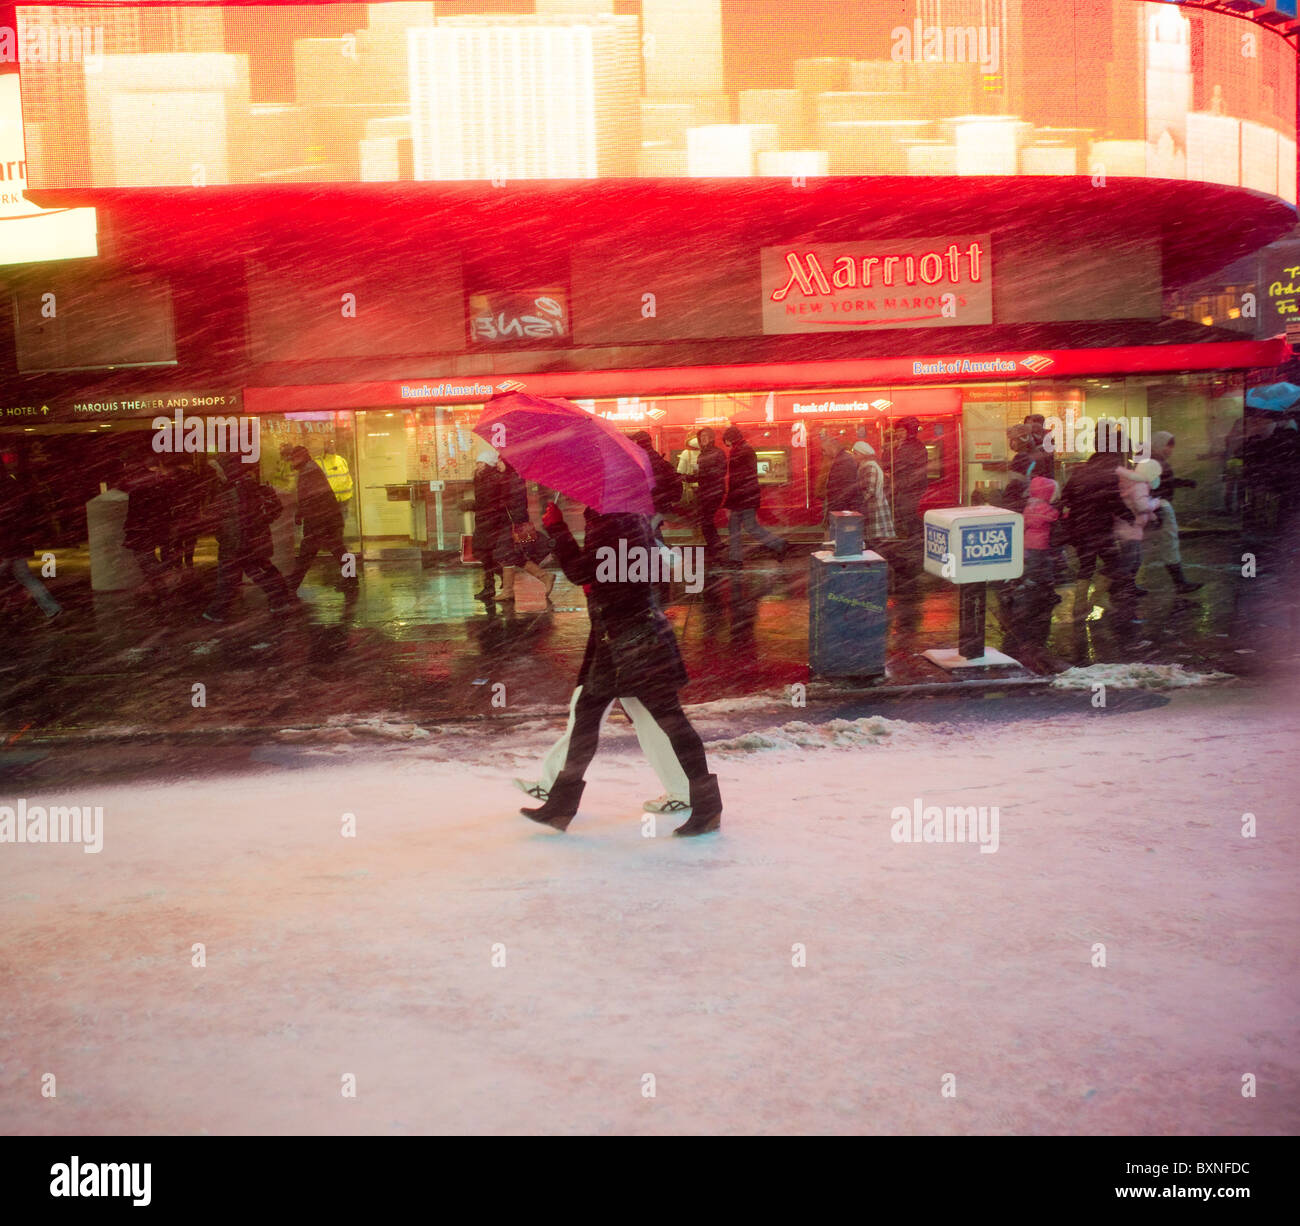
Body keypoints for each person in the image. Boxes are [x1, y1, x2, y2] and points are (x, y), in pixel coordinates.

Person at [519, 502, 722, 837]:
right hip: (620, 637)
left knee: (671, 720)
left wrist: (557, 528)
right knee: (587, 718)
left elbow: (581, 571)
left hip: (634, 641)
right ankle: (561, 804)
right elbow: (609, 572)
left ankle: (708, 805)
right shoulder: (626, 517)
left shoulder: (612, 520)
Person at [514, 686, 693, 818]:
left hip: (619, 655)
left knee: (586, 716)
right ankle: (683, 789)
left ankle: (554, 785)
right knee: (645, 717)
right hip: (625, 654)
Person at [202, 455, 293, 623]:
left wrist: (239, 541)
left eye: (218, 470)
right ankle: (280, 601)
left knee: (232, 578)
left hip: (239, 544)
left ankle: (216, 613)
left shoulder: (236, 489)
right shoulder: (241, 486)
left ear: (228, 470)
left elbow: (234, 519)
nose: (217, 474)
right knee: (258, 573)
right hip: (245, 543)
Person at [1061, 424, 1132, 611]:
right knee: (1114, 563)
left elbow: (1066, 496)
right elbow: (1113, 501)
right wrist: (1130, 517)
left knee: (1087, 565)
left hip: (1080, 525)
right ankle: (1096, 598)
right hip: (1099, 527)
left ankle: (1079, 605)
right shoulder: (1108, 471)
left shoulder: (1082, 470)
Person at [1005, 475, 1067, 672]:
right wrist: (1063, 514)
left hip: (1030, 544)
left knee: (1037, 567)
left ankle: (1035, 584)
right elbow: (1050, 517)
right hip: (1038, 545)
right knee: (1040, 568)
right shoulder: (1041, 508)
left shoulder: (1030, 505)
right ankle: (1037, 586)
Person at [285, 445, 358, 597]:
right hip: (326, 519)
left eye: (293, 459)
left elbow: (310, 497)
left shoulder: (308, 471)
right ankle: (351, 578)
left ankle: (291, 585)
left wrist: (301, 514)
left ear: (301, 458)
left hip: (321, 520)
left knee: (308, 553)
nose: (291, 462)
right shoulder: (310, 469)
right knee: (336, 550)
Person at [0, 461, 61, 620]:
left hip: (6, 544)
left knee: (24, 577)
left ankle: (50, 608)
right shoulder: (12, 485)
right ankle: (52, 608)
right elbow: (23, 514)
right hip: (17, 543)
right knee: (26, 577)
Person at [721, 424, 787, 567]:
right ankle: (736, 558)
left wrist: (733, 498)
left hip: (743, 497)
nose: (726, 443)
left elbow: (738, 478)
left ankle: (778, 544)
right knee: (739, 527)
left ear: (731, 438)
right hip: (746, 496)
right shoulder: (743, 449)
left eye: (726, 440)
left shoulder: (740, 451)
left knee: (743, 527)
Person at [1147, 431, 1201, 595]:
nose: (1170, 450)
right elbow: (1155, 486)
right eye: (1168, 446)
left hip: (1155, 506)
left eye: (1171, 447)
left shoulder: (1153, 461)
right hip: (1159, 506)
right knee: (1169, 544)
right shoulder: (1153, 463)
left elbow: (1161, 483)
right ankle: (1180, 583)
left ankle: (1122, 586)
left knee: (1141, 548)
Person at [1112, 458, 1162, 630]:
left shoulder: (1137, 482)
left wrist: (1152, 516)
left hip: (1131, 527)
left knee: (1135, 559)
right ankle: (1121, 589)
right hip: (1130, 529)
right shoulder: (1140, 485)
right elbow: (1141, 505)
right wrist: (1155, 504)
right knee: (1130, 561)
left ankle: (1128, 585)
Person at [496, 459, 555, 603]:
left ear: (508, 463)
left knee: (508, 553)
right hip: (509, 522)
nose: (497, 464)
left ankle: (509, 590)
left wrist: (514, 519)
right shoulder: (507, 478)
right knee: (512, 555)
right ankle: (543, 577)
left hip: (513, 522)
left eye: (500, 461)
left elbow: (517, 503)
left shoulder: (513, 479)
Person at [121, 454, 176, 599]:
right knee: (148, 558)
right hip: (154, 527)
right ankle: (161, 584)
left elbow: (137, 505)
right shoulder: (161, 482)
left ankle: (162, 584)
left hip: (142, 528)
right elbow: (165, 505)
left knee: (145, 559)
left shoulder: (141, 481)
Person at [469, 447, 508, 602]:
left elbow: (488, 502)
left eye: (481, 463)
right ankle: (495, 580)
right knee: (483, 553)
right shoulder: (481, 478)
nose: (478, 466)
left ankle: (491, 585)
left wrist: (472, 506)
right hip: (484, 520)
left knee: (485, 553)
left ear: (487, 465)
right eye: (478, 463)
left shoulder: (492, 479)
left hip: (490, 521)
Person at [630, 431, 684, 542]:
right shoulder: (654, 457)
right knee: (654, 533)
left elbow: (648, 483)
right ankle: (662, 556)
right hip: (658, 503)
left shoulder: (643, 458)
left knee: (649, 534)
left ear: (638, 442)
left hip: (651, 503)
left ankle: (666, 557)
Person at [685, 426, 726, 557]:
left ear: (711, 438)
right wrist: (689, 477)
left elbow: (719, 472)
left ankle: (715, 547)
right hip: (706, 491)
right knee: (706, 520)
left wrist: (700, 476)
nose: (702, 439)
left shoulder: (717, 453)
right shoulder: (703, 454)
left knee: (705, 520)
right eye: (701, 437)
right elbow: (700, 473)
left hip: (713, 491)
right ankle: (716, 546)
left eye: (705, 437)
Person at [850, 441, 895, 545]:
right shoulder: (865, 466)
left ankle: (881, 557)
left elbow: (870, 490)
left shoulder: (869, 467)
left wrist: (859, 503)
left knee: (875, 539)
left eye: (856, 453)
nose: (853, 456)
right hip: (873, 506)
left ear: (863, 454)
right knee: (875, 539)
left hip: (873, 507)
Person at [823, 434, 861, 516]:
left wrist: (839, 505)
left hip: (843, 508)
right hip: (842, 506)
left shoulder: (843, 460)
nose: (825, 454)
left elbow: (847, 486)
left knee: (842, 528)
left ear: (831, 447)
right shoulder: (842, 458)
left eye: (825, 450)